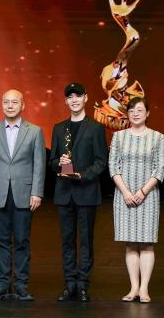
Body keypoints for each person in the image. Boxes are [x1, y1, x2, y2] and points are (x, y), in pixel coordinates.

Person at [0, 89, 46, 301]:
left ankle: (21, 285)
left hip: (24, 193)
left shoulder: (34, 131)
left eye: (14, 102)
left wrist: (37, 192)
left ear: (23, 105)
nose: (10, 106)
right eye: (6, 102)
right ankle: (2, 284)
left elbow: (39, 164)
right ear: (1, 105)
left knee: (22, 240)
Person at [49, 82, 108, 302]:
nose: (74, 100)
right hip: (64, 193)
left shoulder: (95, 128)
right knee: (66, 241)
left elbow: (101, 161)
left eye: (78, 96)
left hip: (86, 191)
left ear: (86, 98)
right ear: (66, 101)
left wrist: (82, 175)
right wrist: (59, 163)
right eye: (70, 97)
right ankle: (69, 284)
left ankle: (83, 284)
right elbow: (52, 161)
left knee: (85, 241)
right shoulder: (59, 128)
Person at [109, 98, 164, 303]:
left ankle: (144, 289)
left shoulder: (157, 137)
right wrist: (125, 192)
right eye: (132, 110)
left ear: (147, 113)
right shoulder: (118, 136)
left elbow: (160, 168)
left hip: (148, 196)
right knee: (131, 244)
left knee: (147, 243)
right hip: (123, 195)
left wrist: (143, 191)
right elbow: (113, 166)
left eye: (140, 110)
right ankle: (133, 287)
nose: (135, 113)